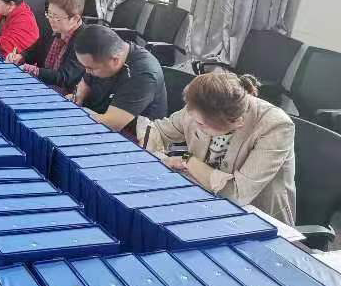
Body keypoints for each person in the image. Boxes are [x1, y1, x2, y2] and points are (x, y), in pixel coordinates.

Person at [142, 72, 296, 225]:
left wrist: (186, 159)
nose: (192, 123)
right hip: (202, 202)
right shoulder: (203, 102)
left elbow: (237, 195)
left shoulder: (275, 126)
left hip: (256, 220)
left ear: (236, 123)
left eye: (200, 124)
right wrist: (154, 159)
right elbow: (157, 130)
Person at [71, 24, 167, 133]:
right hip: (100, 118)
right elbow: (84, 84)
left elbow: (111, 124)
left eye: (90, 68)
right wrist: (78, 96)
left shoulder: (143, 73)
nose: (87, 71)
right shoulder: (102, 55)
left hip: (132, 136)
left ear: (115, 60)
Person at [5, 0, 85, 94]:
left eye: (56, 17)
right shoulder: (53, 28)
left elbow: (65, 78)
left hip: (65, 95)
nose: (51, 20)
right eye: (49, 14)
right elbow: (34, 52)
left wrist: (34, 70)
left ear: (75, 19)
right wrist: (20, 57)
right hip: (43, 86)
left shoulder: (85, 41)